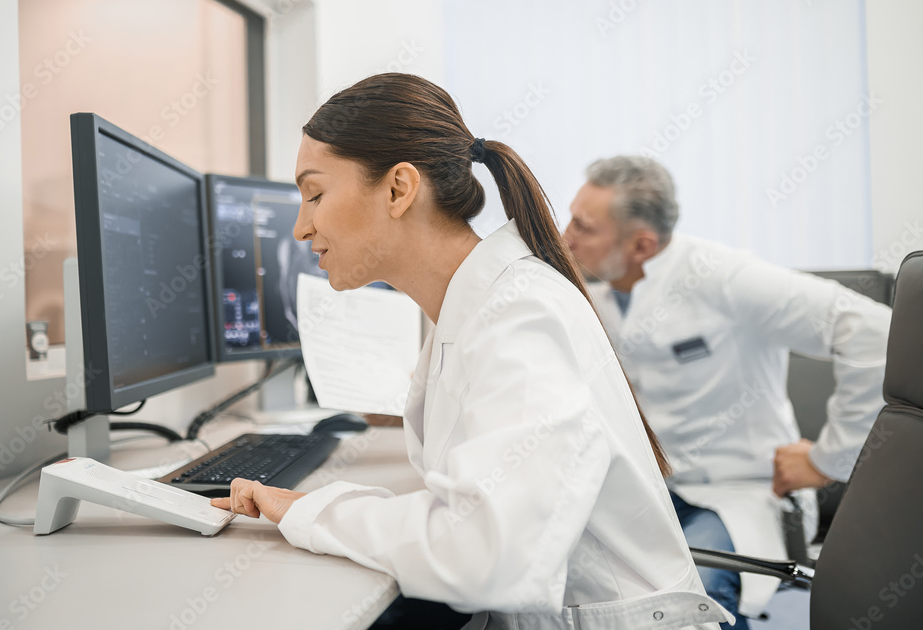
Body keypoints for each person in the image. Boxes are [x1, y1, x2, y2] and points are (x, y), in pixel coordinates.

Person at [212, 74, 731, 630]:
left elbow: (487, 556)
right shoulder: (475, 304)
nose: (300, 226)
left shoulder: (517, 316)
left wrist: (312, 509)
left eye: (315, 193)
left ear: (397, 189)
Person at [562, 155, 891, 627]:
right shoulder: (590, 289)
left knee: (690, 604)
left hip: (740, 492)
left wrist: (829, 460)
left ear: (641, 244)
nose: (565, 234)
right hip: (647, 490)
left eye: (583, 226)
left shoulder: (722, 276)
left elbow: (875, 333)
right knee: (562, 581)